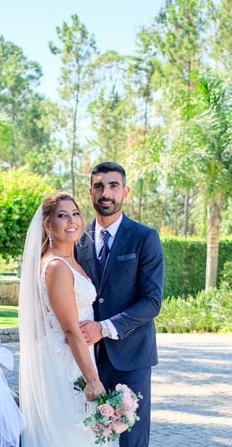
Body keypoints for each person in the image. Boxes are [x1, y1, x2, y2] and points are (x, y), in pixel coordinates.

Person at [76, 162, 164, 447]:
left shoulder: (144, 238)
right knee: (87, 434)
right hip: (87, 359)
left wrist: (104, 328)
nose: (106, 193)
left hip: (132, 357)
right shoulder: (78, 241)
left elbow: (152, 302)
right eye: (99, 186)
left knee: (132, 440)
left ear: (125, 191)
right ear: (90, 192)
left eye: (113, 186)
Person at [19, 192, 107, 446]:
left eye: (75, 214)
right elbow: (69, 329)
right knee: (71, 434)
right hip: (65, 360)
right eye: (62, 215)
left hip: (76, 355)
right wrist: (93, 380)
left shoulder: (71, 261)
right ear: (47, 224)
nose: (72, 221)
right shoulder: (57, 266)